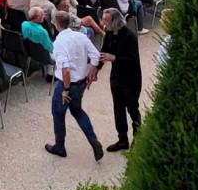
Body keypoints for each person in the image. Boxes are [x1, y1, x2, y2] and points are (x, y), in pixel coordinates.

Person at [45, 10, 104, 161]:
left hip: (66, 85)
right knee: (77, 111)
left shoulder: (59, 43)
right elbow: (96, 56)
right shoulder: (81, 37)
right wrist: (92, 71)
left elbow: (65, 70)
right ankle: (93, 141)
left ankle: (60, 147)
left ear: (56, 25)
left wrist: (65, 89)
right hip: (81, 82)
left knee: (58, 114)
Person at [99, 9, 142, 152]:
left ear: (115, 21)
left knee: (132, 109)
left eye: (106, 20)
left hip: (131, 79)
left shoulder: (130, 37)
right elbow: (103, 53)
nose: (103, 23)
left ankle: (138, 138)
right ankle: (122, 140)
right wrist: (95, 69)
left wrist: (115, 58)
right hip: (116, 78)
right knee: (118, 110)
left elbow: (133, 60)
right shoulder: (109, 34)